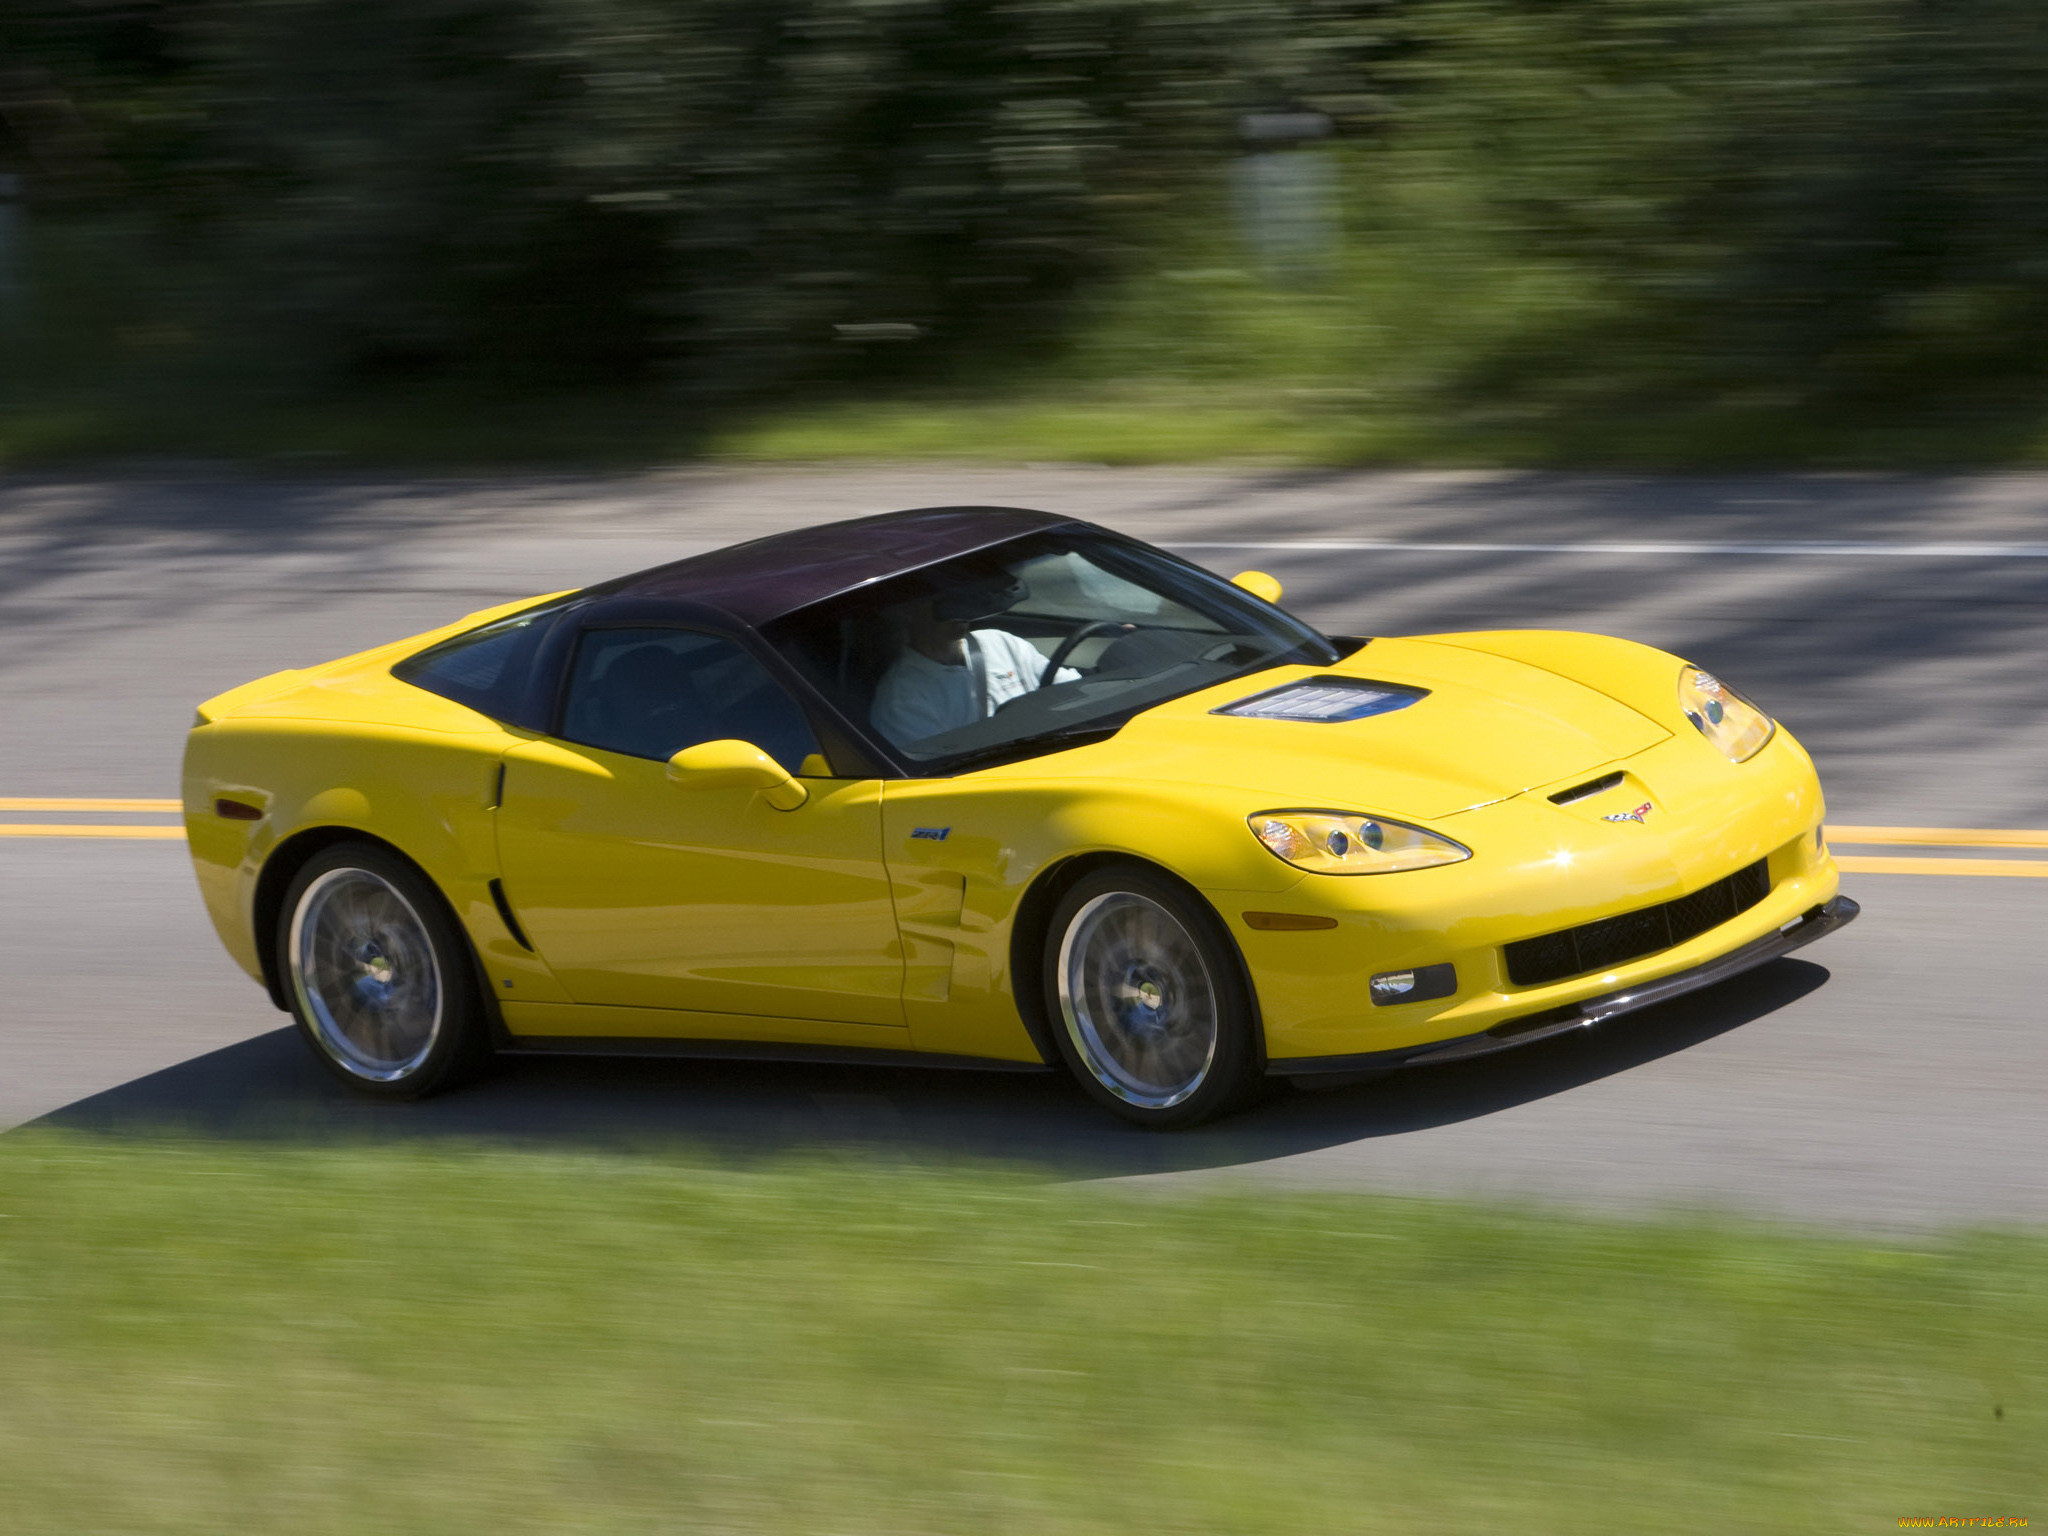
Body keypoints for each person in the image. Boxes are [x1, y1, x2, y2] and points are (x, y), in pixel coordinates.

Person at [871, 592, 1081, 748]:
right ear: (906, 610)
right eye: (945, 601)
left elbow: (1075, 693)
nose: (960, 609)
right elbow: (944, 773)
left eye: (961, 595)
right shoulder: (901, 699)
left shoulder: (999, 642)